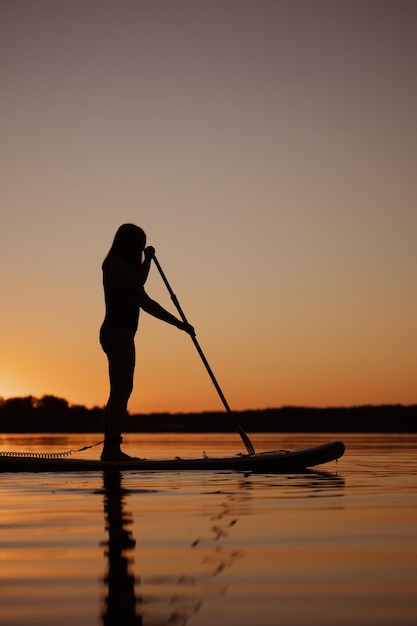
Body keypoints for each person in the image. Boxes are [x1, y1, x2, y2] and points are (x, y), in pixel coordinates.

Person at [99, 224, 194, 461]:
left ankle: (111, 448)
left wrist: (180, 325)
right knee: (121, 391)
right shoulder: (116, 264)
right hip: (117, 332)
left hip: (122, 333)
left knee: (122, 391)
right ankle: (111, 449)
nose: (142, 248)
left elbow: (149, 304)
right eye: (140, 244)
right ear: (129, 244)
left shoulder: (129, 273)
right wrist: (149, 259)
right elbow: (137, 284)